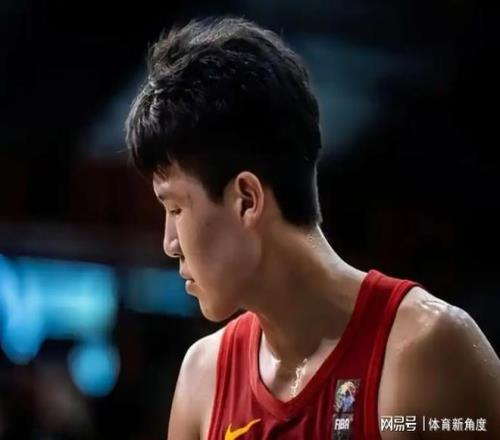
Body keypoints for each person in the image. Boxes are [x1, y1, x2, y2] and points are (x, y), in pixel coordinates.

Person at [125, 17, 500, 439]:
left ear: (246, 199)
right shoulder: (202, 380)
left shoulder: (425, 350)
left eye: (176, 208)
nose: (169, 243)